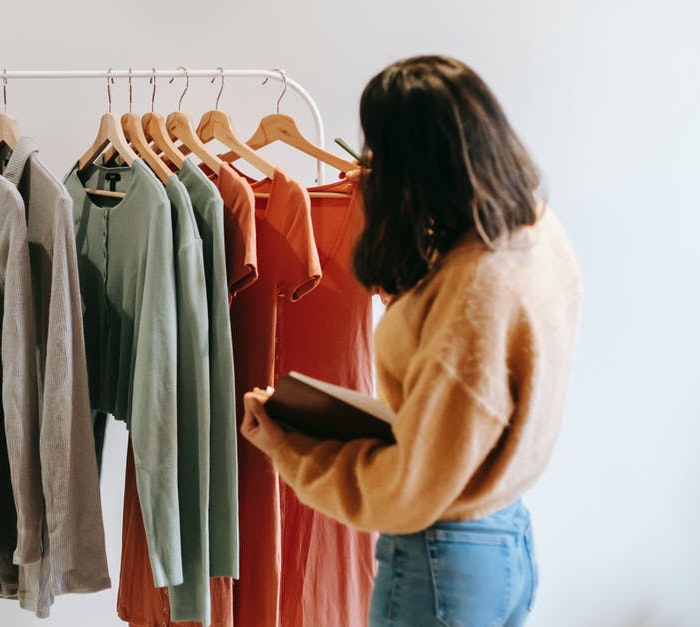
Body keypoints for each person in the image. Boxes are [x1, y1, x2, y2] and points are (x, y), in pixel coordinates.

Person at [240, 55, 583, 627]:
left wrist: (288, 448)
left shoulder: (472, 295)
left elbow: (407, 491)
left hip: (441, 558)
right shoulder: (533, 234)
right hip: (506, 539)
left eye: (381, 151)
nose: (370, 162)